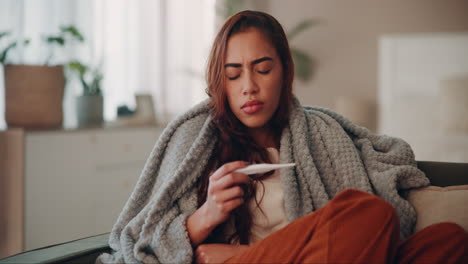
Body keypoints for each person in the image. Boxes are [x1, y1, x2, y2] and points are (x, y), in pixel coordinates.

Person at [96, 10, 467, 264]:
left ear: (284, 71)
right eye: (234, 73)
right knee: (370, 214)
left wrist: (239, 257)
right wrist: (205, 216)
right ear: (219, 80)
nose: (249, 87)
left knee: (448, 240)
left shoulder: (319, 134)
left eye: (262, 68)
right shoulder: (193, 138)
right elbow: (136, 243)